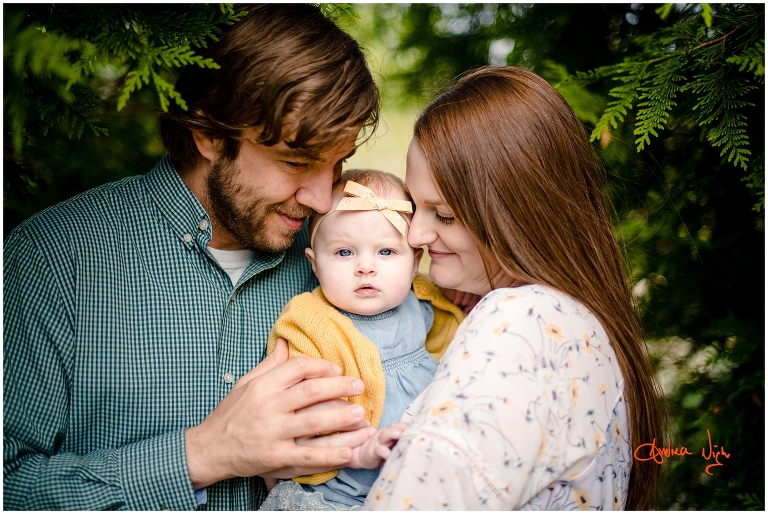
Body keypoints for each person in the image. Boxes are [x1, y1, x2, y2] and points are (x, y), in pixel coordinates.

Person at [3, 5, 383, 510]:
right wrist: (203, 455)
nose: (319, 199)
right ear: (207, 133)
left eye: (336, 165)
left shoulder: (341, 262)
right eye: (296, 162)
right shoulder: (53, 259)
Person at [363, 66, 665, 510]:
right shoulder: (580, 325)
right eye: (414, 208)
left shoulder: (521, 323)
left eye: (443, 215)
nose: (415, 236)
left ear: (518, 213)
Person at [259, 169, 466, 510]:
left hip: (417, 484)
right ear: (315, 264)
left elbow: (454, 340)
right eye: (344, 253)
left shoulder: (422, 300)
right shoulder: (312, 323)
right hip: (338, 492)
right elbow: (298, 424)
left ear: (415, 263)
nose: (365, 267)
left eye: (385, 252)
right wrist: (358, 452)